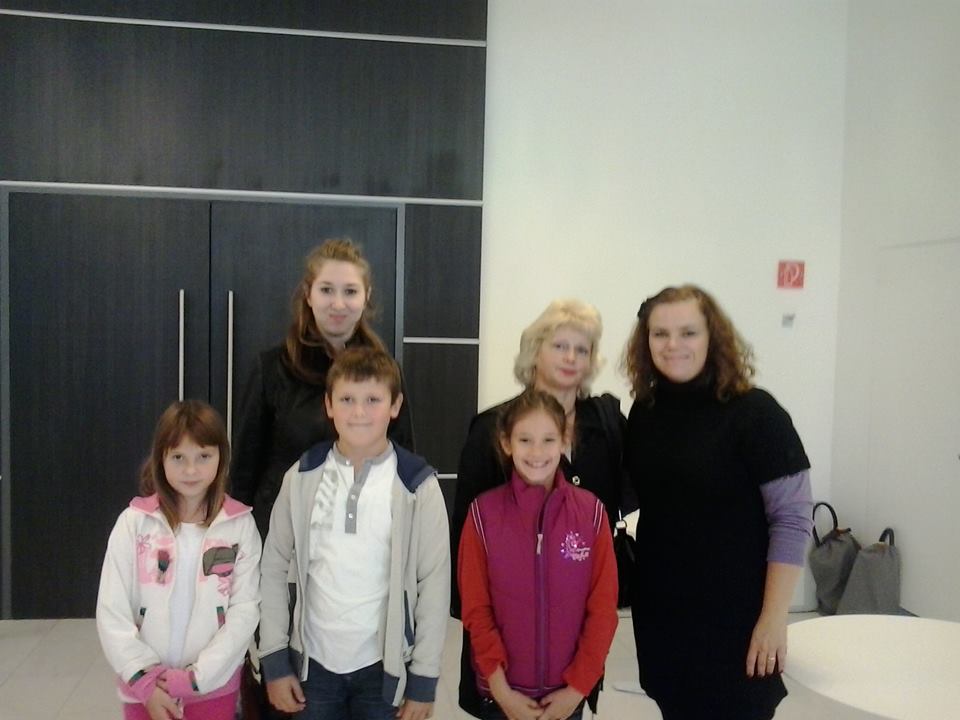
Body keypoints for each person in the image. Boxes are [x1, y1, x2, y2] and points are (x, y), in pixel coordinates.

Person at [622, 285, 813, 720]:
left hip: (736, 619)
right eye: (660, 333)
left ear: (714, 337)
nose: (673, 344)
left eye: (688, 332)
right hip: (664, 614)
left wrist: (773, 618)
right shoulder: (645, 412)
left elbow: (791, 519)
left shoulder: (756, 413)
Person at [451, 298, 628, 716]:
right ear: (535, 351)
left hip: (571, 643)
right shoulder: (491, 428)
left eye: (582, 349)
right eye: (559, 346)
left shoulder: (605, 426)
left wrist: (582, 678)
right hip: (507, 642)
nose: (571, 358)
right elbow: (469, 551)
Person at [258, 346, 449, 720]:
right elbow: (274, 567)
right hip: (314, 666)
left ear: (395, 406)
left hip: (383, 670)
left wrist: (423, 679)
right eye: (347, 399)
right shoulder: (302, 476)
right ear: (329, 405)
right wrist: (275, 659)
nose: (359, 412)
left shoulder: (417, 485)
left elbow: (434, 583)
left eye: (373, 400)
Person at [231, 237, 414, 539]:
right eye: (327, 290)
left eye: (350, 291)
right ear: (308, 294)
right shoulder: (271, 368)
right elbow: (242, 473)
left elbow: (404, 461)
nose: (338, 304)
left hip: (365, 533)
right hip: (284, 535)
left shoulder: (386, 372)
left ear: (366, 296)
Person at [96, 400, 262, 720]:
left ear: (222, 457)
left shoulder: (240, 526)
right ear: (160, 458)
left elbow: (245, 611)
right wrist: (144, 680)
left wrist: (197, 678)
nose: (191, 470)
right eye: (178, 457)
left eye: (203, 456)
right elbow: (111, 609)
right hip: (145, 690)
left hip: (212, 688)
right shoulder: (134, 523)